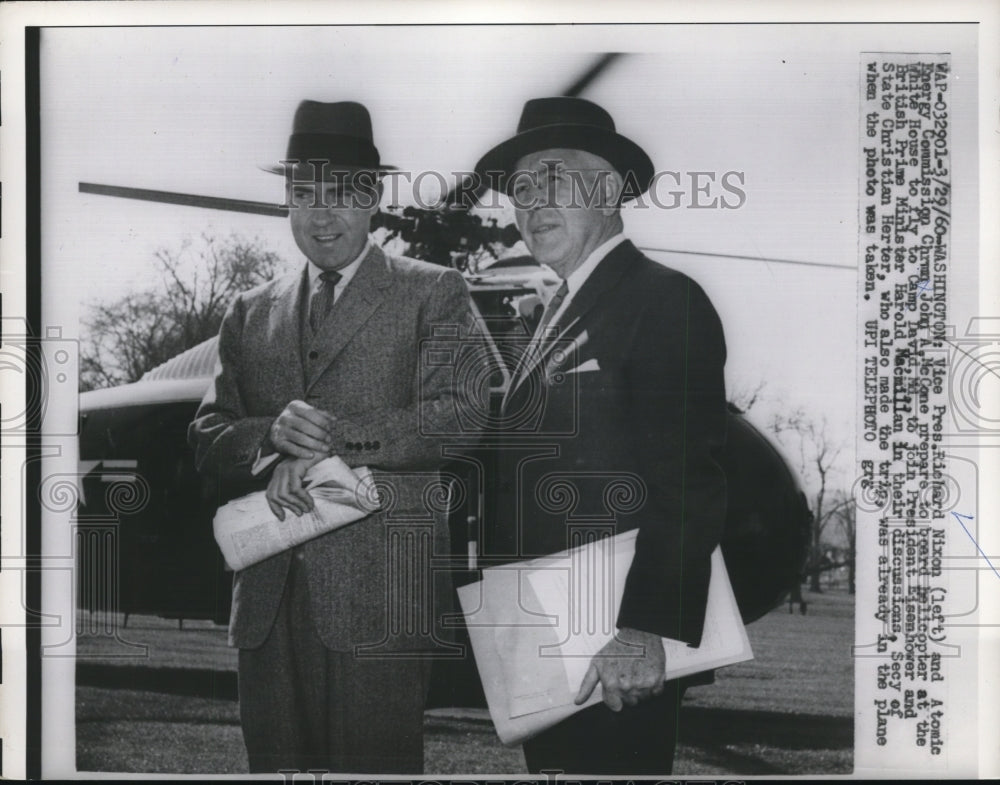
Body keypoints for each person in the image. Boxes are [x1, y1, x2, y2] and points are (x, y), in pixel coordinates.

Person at [189, 100, 479, 774]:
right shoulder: (249, 310)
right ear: (286, 202)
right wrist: (269, 437)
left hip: (380, 608)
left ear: (373, 198)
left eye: (343, 194)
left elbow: (460, 413)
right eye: (306, 194)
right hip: (266, 607)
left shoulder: (434, 291)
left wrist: (327, 442)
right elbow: (208, 436)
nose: (324, 215)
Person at [473, 96, 729, 775]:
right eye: (521, 189)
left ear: (611, 188)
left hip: (616, 658)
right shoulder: (557, 313)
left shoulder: (662, 299)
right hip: (548, 650)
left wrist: (644, 631)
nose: (532, 202)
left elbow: (690, 482)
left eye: (554, 177)